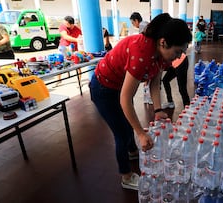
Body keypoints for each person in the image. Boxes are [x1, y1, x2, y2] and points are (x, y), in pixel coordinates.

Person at [89, 13, 191, 190]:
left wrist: (158, 109)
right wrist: (142, 134)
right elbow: (126, 99)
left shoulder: (161, 55)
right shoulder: (142, 52)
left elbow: (155, 80)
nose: (178, 57)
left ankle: (132, 152)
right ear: (163, 42)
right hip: (103, 88)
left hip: (116, 86)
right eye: (177, 52)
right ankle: (126, 176)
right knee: (122, 132)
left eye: (181, 53)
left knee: (128, 125)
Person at [129, 12, 152, 104]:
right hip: (149, 54)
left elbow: (143, 42)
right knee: (147, 78)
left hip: (148, 55)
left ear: (136, 20)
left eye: (132, 22)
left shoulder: (143, 25)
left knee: (148, 78)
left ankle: (148, 97)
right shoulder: (145, 24)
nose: (133, 25)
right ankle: (147, 97)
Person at [56, 16, 82, 86]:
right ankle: (58, 80)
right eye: (64, 23)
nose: (64, 24)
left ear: (71, 24)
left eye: (66, 23)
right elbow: (65, 36)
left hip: (73, 48)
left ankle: (79, 82)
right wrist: (77, 40)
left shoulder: (77, 29)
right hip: (63, 47)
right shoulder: (62, 26)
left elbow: (84, 35)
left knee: (77, 64)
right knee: (59, 62)